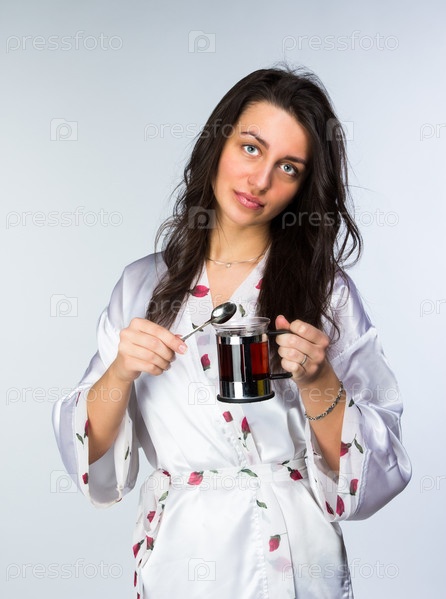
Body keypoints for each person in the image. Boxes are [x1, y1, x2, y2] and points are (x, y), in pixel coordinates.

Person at [52, 66, 411, 599]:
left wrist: (318, 381)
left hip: (294, 559)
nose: (260, 181)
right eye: (250, 148)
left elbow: (379, 469)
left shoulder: (326, 292)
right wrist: (121, 371)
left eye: (287, 167)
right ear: (217, 145)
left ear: (303, 186)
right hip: (181, 557)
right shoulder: (143, 285)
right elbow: (89, 456)